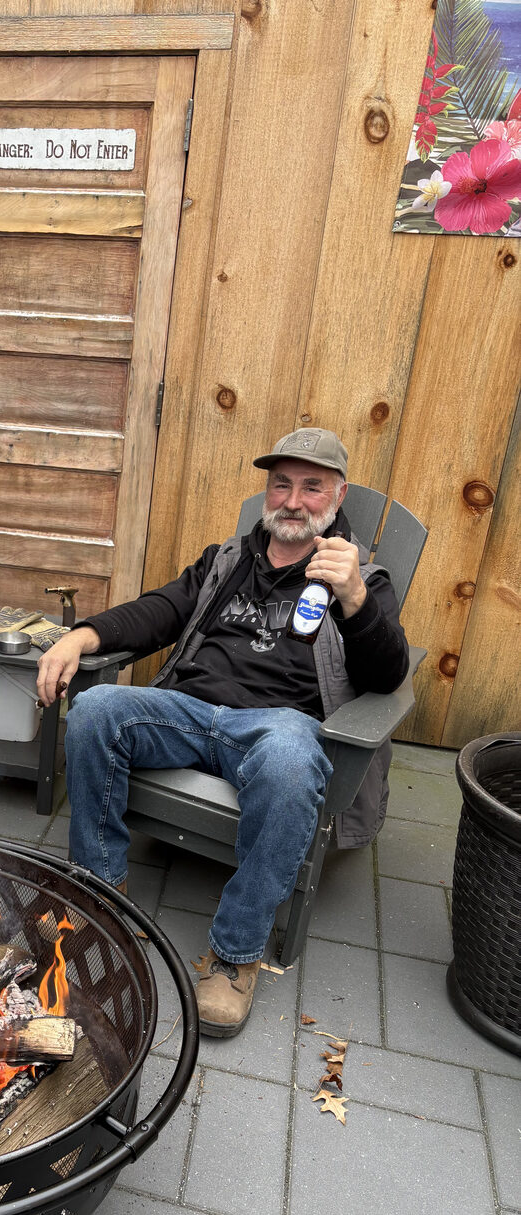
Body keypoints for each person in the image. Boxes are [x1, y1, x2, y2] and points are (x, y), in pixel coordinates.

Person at [36, 427, 409, 1038]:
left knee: (293, 760)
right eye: (281, 484)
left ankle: (235, 958)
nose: (293, 500)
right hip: (185, 711)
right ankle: (104, 897)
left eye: (311, 487)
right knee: (97, 709)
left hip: (275, 728)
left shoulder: (363, 578)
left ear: (337, 496)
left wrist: (356, 597)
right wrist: (85, 635)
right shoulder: (229, 561)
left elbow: (387, 674)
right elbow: (160, 610)